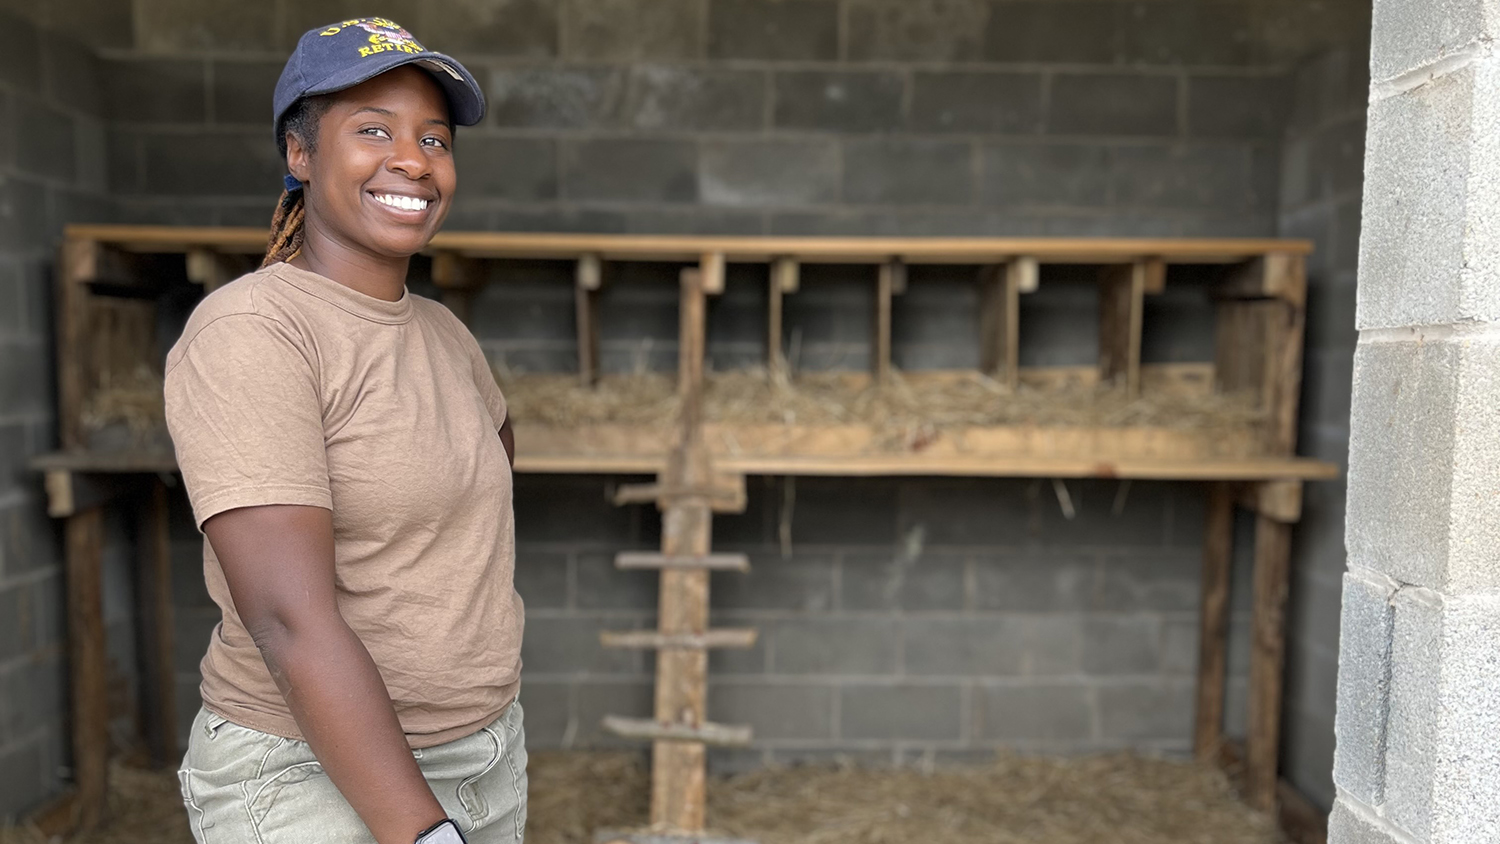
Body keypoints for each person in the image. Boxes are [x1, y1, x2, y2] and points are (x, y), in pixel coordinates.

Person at [164, 18, 524, 844]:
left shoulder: (444, 336)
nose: (413, 159)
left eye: (435, 138)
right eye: (373, 131)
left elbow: (490, 479)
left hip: (483, 755)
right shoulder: (254, 332)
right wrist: (423, 833)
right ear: (299, 154)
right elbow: (290, 622)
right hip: (306, 778)